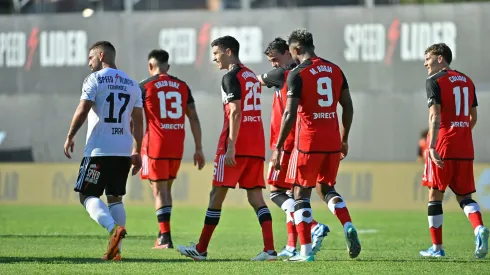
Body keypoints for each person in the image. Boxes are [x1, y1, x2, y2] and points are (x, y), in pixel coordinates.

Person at [177, 35, 277, 261]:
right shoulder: (251, 76)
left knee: (216, 195)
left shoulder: (230, 77)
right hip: (256, 146)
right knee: (256, 198)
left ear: (229, 52)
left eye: (216, 53)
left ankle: (201, 249)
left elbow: (235, 112)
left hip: (235, 145)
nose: (214, 58)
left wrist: (231, 146)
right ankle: (269, 249)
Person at [271, 28, 359, 262]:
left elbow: (289, 113)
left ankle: (305, 252)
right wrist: (344, 137)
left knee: (300, 193)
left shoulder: (297, 74)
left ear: (297, 49)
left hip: (308, 142)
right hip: (332, 140)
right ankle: (347, 224)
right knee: (326, 188)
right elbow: (348, 106)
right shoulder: (335, 70)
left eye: (291, 51)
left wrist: (279, 147)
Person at [63, 41, 143, 261]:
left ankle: (112, 228)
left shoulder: (95, 79)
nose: (89, 63)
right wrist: (138, 150)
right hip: (123, 150)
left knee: (87, 195)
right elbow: (138, 120)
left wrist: (70, 136)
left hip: (99, 150)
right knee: (115, 198)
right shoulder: (132, 83)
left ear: (100, 55)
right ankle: (117, 250)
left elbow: (83, 109)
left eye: (90, 58)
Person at [257, 37, 330, 258]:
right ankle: (291, 246)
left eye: (275, 59)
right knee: (290, 192)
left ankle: (313, 225)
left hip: (286, 143)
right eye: (271, 61)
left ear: (289, 53)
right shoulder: (301, 73)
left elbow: (254, 80)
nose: (273, 64)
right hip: (297, 141)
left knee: (276, 192)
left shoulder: (282, 73)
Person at [420, 43, 488, 258]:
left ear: (441, 58)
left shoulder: (434, 81)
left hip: (442, 144)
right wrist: (461, 133)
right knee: (465, 197)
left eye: (428, 58)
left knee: (435, 195)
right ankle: (479, 228)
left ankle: (437, 249)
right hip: (465, 145)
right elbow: (473, 118)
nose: (425, 63)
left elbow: (435, 115)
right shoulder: (467, 81)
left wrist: (431, 145)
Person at [139, 49, 205, 249]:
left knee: (159, 191)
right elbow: (193, 117)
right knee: (166, 189)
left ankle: (165, 237)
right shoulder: (182, 86)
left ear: (151, 66)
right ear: (168, 66)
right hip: (177, 145)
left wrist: (134, 147)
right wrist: (199, 148)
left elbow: (134, 119)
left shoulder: (145, 86)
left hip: (155, 145)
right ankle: (163, 233)